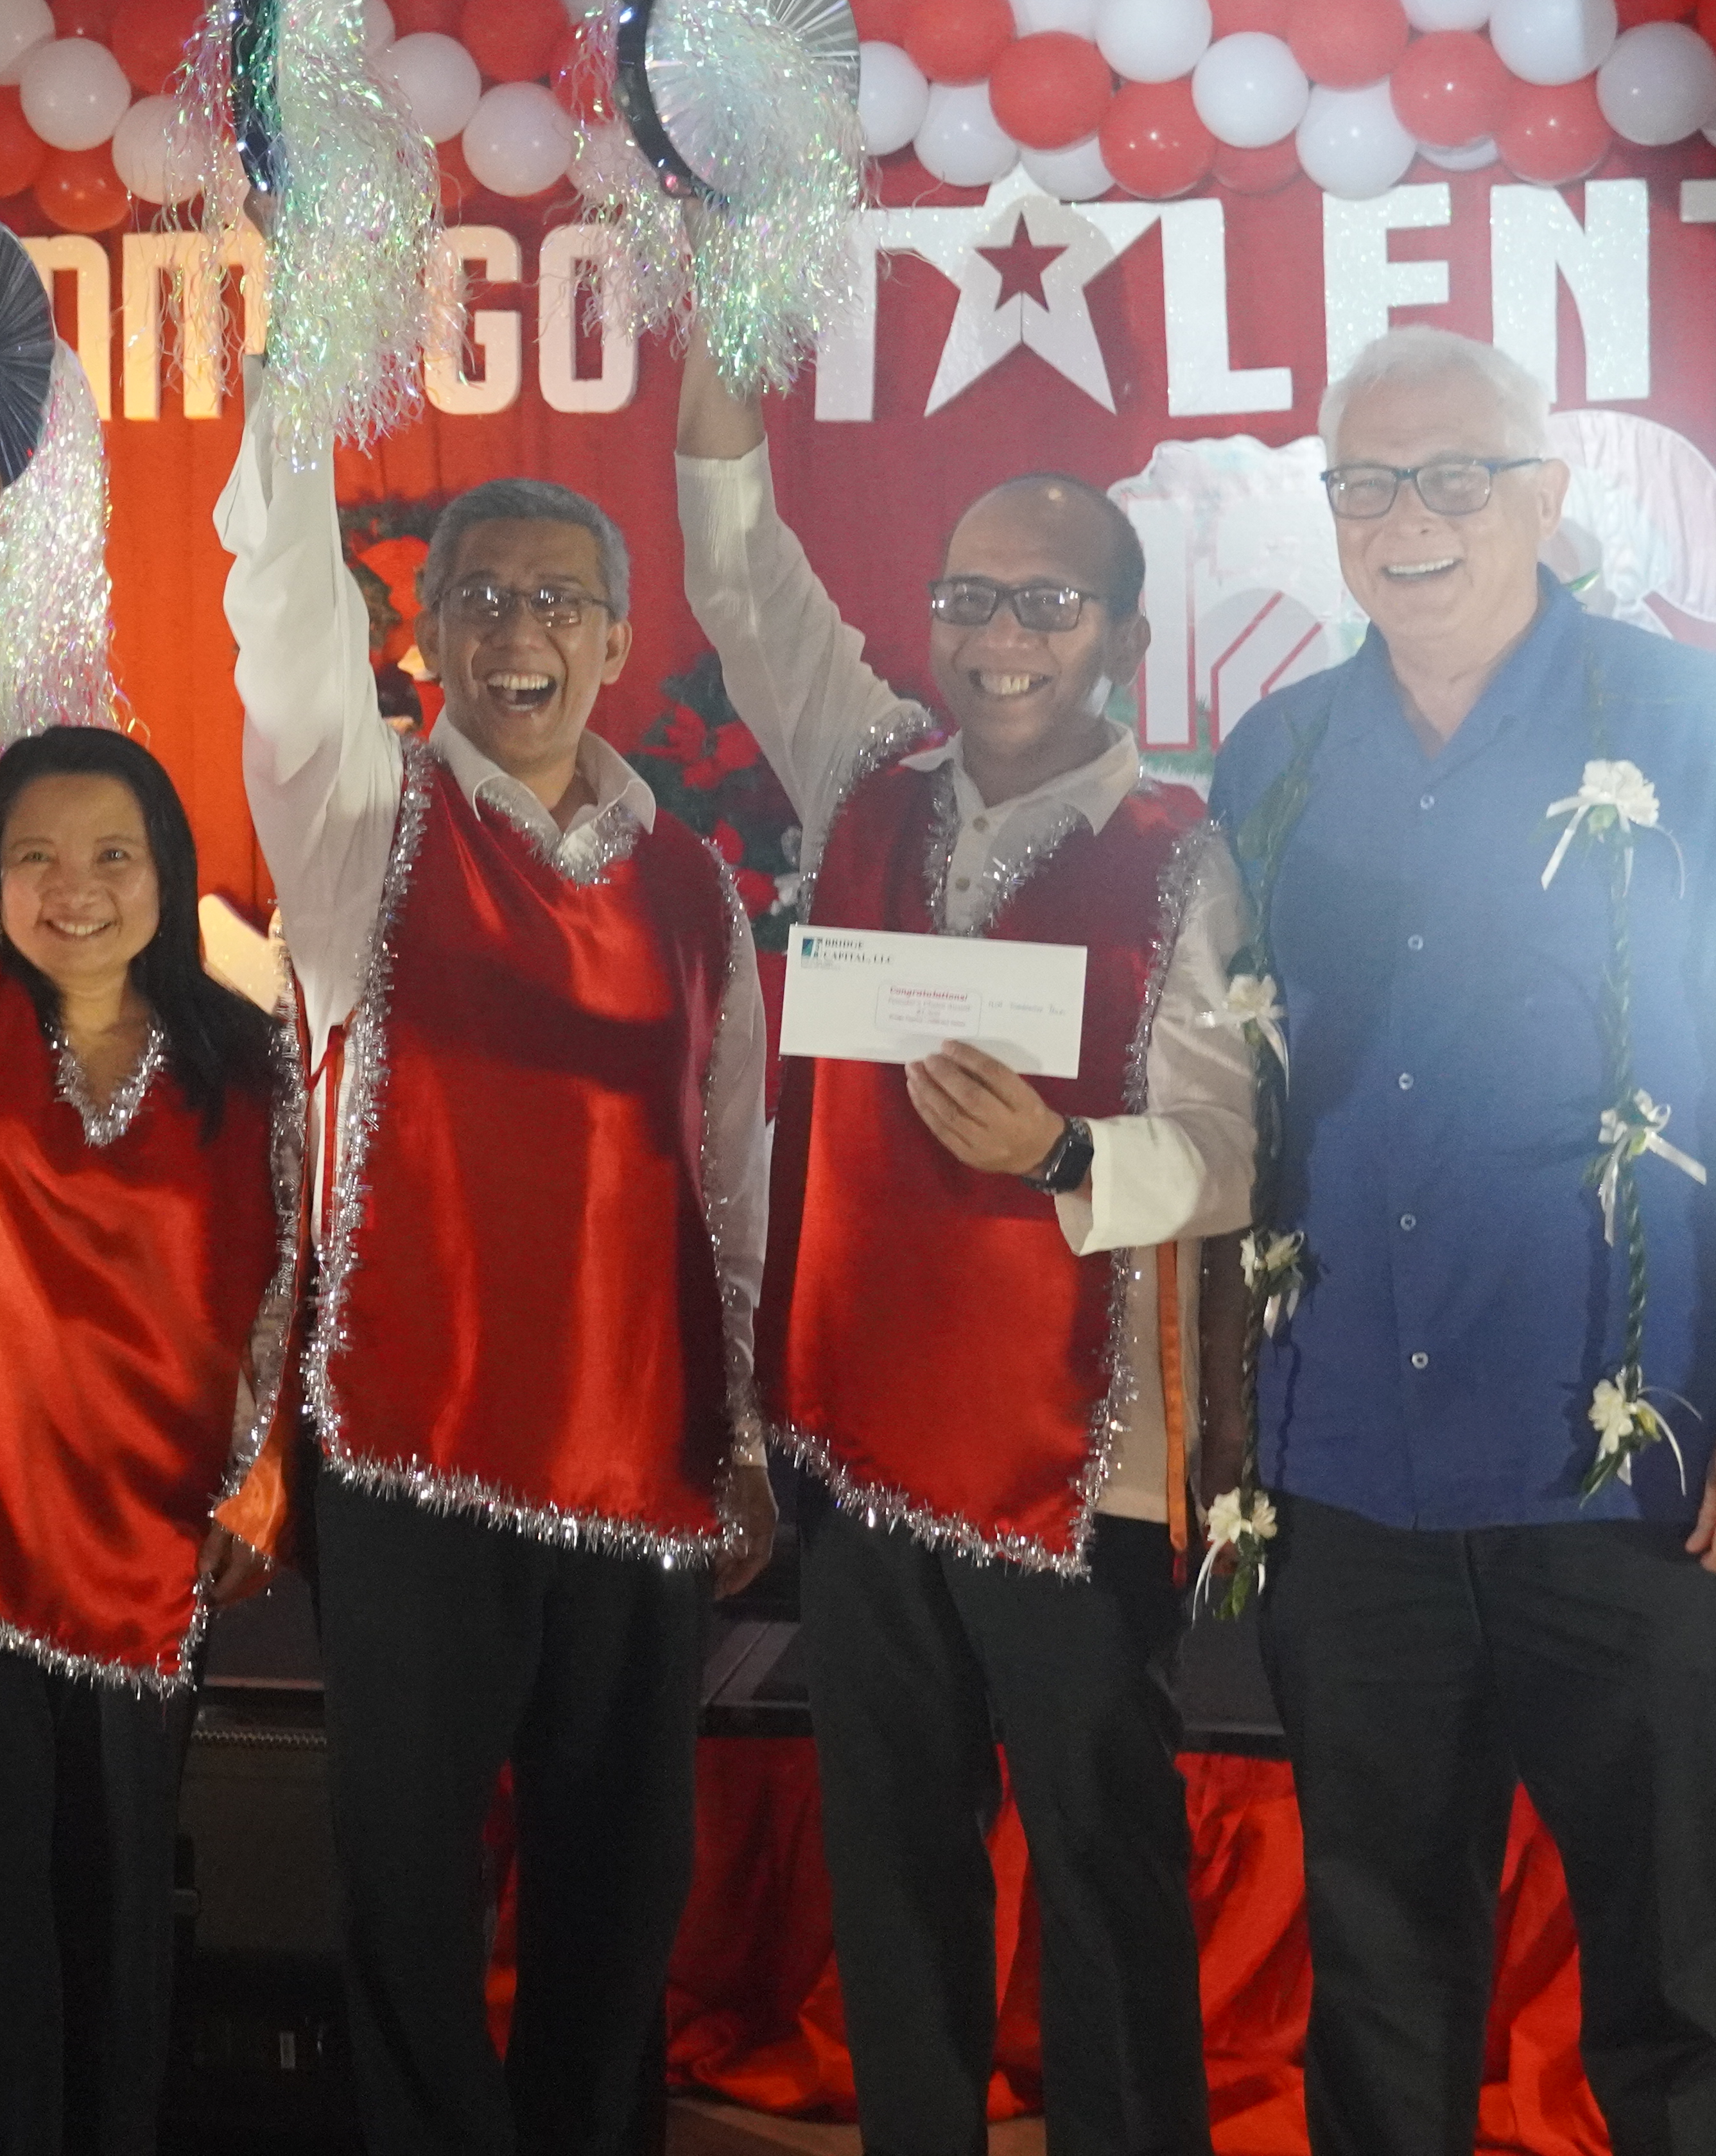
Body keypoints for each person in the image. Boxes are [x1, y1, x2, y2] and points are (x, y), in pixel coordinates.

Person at [1207, 325, 1716, 2156]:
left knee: (1670, 1985)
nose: (1405, 519)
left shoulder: (1695, 728)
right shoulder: (1270, 758)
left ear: (1546, 495)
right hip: (1346, 1483)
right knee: (1379, 1981)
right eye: (1367, 483)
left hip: (1641, 1490)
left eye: (1454, 477)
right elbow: (1224, 1110)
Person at [671, 341, 1251, 2156]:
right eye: (973, 598)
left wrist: (1069, 1148)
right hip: (861, 1443)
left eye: (1050, 604)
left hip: (1078, 1477)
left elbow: (1229, 1156)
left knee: (1102, 1873)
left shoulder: (1186, 861)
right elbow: (738, 570)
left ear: (1123, 640)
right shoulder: (864, 777)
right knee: (896, 1879)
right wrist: (720, 344)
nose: (1002, 636)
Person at [217, 368, 777, 2156]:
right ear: (430, 630)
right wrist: (289, 376)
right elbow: (287, 631)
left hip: (640, 1453)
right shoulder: (360, 829)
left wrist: (745, 1436)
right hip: (415, 1451)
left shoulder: (696, 884)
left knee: (620, 1897)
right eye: (479, 595)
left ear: (614, 636)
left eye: (556, 599)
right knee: (403, 1884)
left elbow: (733, 1180)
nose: (517, 628)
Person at [0, 469, 299, 2156]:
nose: (77, 886)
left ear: (169, 872)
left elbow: (285, 1303)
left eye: (114, 854)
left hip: (146, 1548)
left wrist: (256, 1486)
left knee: (123, 1906)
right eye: (34, 857)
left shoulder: (246, 1065)